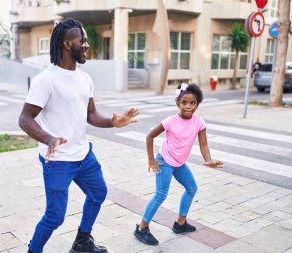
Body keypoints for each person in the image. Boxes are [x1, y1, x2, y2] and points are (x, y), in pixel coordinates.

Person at [19, 18, 139, 253]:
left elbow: (91, 114)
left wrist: (113, 122)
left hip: (83, 155)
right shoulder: (45, 80)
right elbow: (25, 118)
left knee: (98, 193)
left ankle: (82, 241)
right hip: (58, 160)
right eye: (82, 41)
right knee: (55, 217)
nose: (86, 45)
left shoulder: (85, 79)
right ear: (66, 44)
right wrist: (48, 138)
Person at [133, 83, 223, 245]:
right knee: (161, 194)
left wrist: (208, 160)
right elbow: (150, 136)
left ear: (197, 104)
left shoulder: (199, 122)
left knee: (191, 188)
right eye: (184, 102)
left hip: (179, 163)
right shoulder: (170, 121)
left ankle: (180, 223)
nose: (188, 106)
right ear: (178, 103)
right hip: (165, 161)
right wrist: (151, 159)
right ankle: (142, 227)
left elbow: (203, 144)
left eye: (192, 103)